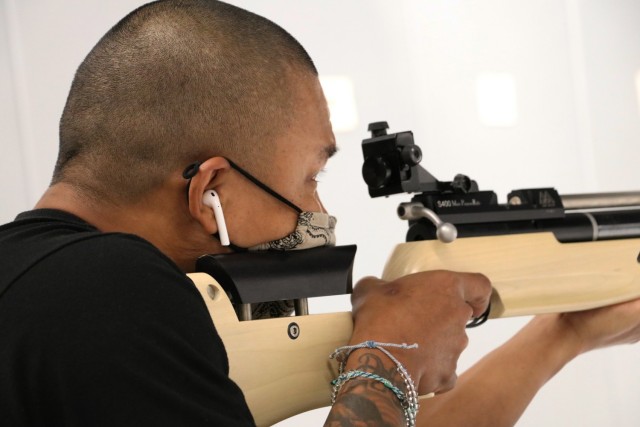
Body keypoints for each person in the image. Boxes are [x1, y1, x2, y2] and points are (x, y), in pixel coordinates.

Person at [0, 1, 637, 426]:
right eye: (310, 178)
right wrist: (386, 357)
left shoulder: (51, 296)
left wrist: (565, 334)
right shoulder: (108, 292)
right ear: (210, 192)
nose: (318, 212)